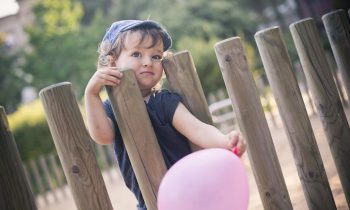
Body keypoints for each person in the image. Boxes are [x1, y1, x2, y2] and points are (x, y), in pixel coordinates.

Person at [84, 19, 247, 210]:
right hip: (150, 201)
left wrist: (225, 141)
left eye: (156, 56)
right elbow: (102, 136)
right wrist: (91, 93)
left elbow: (197, 128)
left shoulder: (163, 101)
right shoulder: (112, 110)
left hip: (188, 195)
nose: (147, 62)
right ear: (112, 62)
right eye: (136, 54)